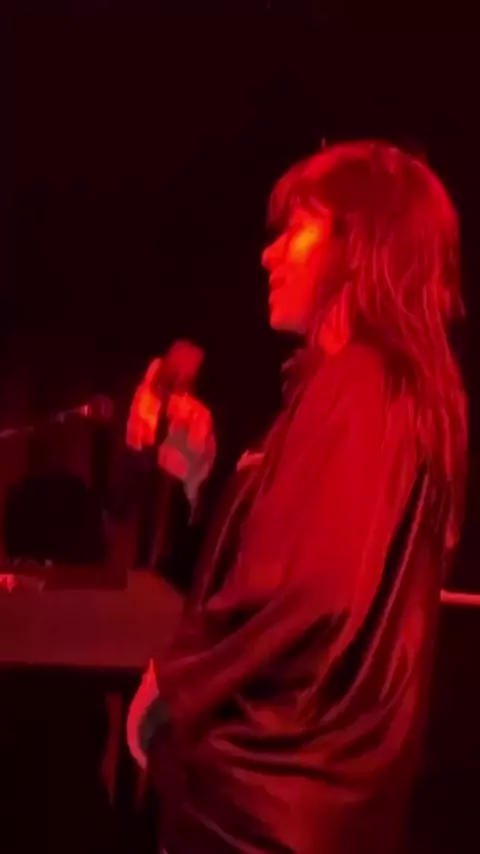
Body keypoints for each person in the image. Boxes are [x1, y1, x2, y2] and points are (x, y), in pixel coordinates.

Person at [126, 141, 467, 854]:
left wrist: (174, 684)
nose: (268, 254)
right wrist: (199, 481)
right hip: (295, 811)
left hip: (266, 814)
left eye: (297, 228)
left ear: (359, 243)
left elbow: (313, 589)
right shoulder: (363, 392)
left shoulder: (362, 384)